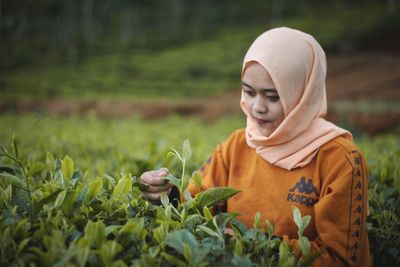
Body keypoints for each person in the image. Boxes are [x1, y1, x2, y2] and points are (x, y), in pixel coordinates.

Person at [140, 27, 370, 267]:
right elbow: (195, 208)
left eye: (272, 97)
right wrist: (165, 194)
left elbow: (340, 259)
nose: (257, 107)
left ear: (303, 94)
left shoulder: (341, 160)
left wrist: (250, 243)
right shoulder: (236, 146)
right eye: (249, 92)